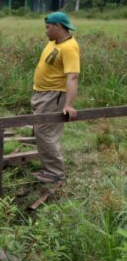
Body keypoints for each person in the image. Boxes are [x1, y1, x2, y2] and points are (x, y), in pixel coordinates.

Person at [31, 12, 80, 184]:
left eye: (48, 27)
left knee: (45, 132)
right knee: (42, 131)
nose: (46, 31)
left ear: (58, 26)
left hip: (54, 95)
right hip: (42, 93)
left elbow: (73, 76)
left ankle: (55, 173)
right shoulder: (54, 42)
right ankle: (48, 168)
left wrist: (69, 105)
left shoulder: (69, 48)